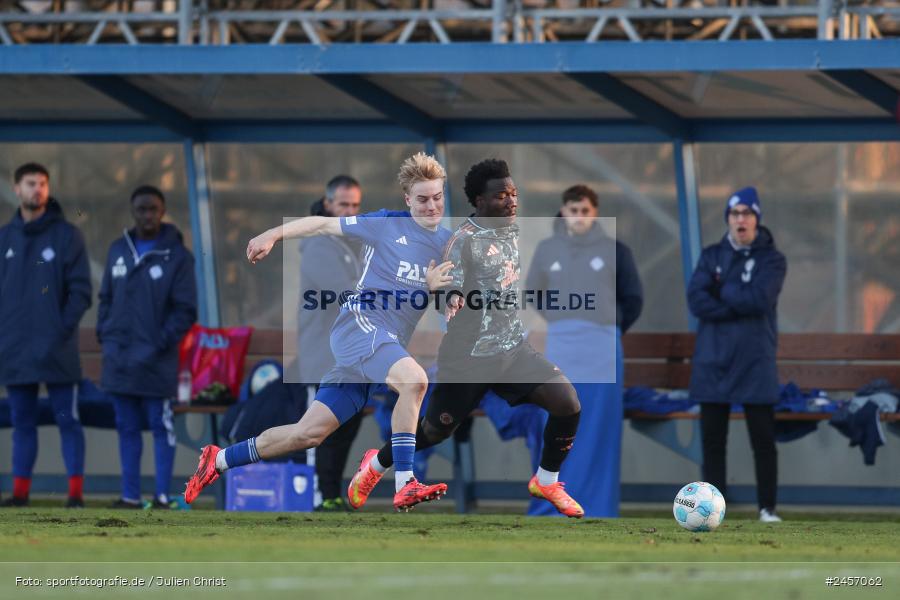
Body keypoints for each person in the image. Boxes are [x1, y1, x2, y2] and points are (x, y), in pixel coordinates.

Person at [185, 152, 451, 512]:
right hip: (360, 326)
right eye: (422, 198)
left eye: (437, 197)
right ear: (407, 199)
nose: (431, 205)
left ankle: (217, 461)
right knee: (415, 381)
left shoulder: (447, 242)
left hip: (377, 346)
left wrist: (449, 297)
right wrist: (273, 234)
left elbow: (450, 294)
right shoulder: (385, 224)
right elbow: (321, 225)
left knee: (306, 434)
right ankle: (404, 483)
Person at [347, 159, 586, 518]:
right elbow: (449, 281)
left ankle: (546, 481)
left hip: (512, 349)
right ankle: (376, 466)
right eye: (501, 195)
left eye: (514, 193)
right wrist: (451, 297)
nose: (511, 200)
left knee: (568, 404)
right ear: (479, 200)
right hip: (469, 357)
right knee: (434, 431)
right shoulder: (463, 240)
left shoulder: (510, 229)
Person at [524, 184, 643, 517]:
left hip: (602, 351)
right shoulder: (548, 248)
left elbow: (633, 299)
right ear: (564, 211)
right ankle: (551, 500)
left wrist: (607, 325)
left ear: (595, 213)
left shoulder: (616, 250)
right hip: (562, 348)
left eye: (585, 211)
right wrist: (563, 320)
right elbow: (534, 292)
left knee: (598, 431)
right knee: (559, 421)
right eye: (573, 210)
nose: (578, 217)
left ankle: (598, 506)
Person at [687, 186, 787, 523]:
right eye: (734, 214)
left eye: (747, 213)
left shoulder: (772, 259)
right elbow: (697, 301)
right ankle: (713, 510)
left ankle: (767, 508)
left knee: (762, 439)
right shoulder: (711, 254)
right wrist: (735, 301)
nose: (740, 219)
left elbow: (760, 299)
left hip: (755, 360)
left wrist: (724, 287)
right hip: (713, 360)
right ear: (728, 219)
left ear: (757, 219)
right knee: (714, 441)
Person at [98, 185, 197, 509]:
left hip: (157, 360)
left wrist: (158, 343)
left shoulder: (178, 257)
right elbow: (105, 299)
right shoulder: (118, 249)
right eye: (141, 209)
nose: (147, 215)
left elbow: (185, 311)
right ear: (133, 212)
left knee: (160, 426)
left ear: (163, 211)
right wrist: (106, 336)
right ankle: (129, 496)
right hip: (120, 358)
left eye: (153, 209)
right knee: (126, 427)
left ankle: (161, 497)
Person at [0, 162, 92, 508]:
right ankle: (20, 493)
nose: (36, 189)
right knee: (22, 422)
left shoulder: (68, 235)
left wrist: (59, 329)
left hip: (56, 348)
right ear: (16, 188)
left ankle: (75, 495)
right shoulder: (4, 238)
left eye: (41, 184)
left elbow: (81, 291)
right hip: (14, 349)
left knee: (68, 420)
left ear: (48, 189)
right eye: (29, 183)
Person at [297, 175, 364, 512]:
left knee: (346, 428)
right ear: (327, 205)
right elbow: (345, 293)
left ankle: (331, 494)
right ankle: (316, 497)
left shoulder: (353, 241)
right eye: (343, 205)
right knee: (315, 431)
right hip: (322, 356)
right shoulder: (319, 243)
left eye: (354, 205)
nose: (350, 211)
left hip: (351, 357)